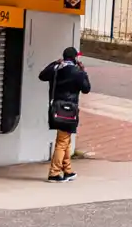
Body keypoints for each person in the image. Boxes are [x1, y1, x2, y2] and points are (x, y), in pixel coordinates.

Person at [39, 46, 91, 183]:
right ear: (75, 58)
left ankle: (67, 170)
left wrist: (55, 63)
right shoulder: (78, 72)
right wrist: (83, 72)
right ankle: (54, 173)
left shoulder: (56, 69)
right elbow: (86, 89)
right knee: (62, 142)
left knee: (65, 139)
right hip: (69, 110)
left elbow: (42, 76)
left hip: (56, 108)